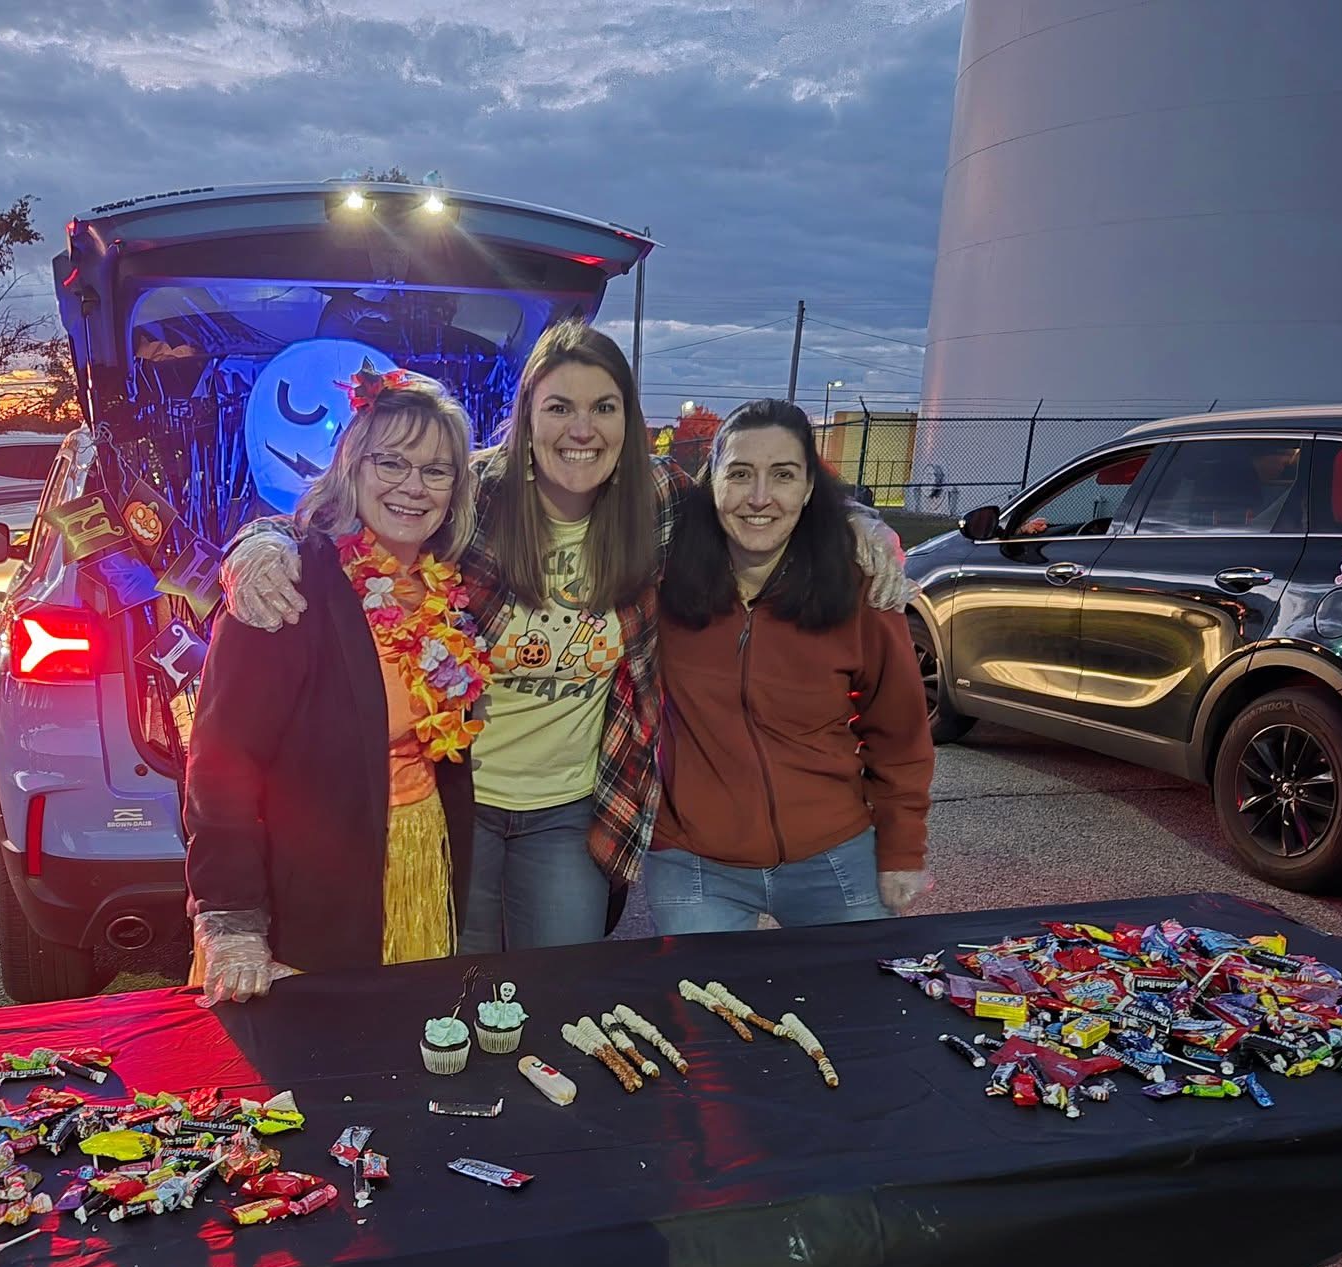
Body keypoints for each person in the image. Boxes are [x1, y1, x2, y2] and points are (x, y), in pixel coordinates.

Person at [224, 322, 912, 954]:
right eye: (559, 407)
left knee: (561, 988)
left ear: (627, 420)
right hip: (460, 798)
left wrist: (859, 523)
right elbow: (347, 518)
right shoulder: (473, 495)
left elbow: (753, 501)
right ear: (527, 418)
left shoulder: (658, 500)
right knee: (455, 988)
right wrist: (262, 541)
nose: (581, 429)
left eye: (603, 407)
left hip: (572, 807)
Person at [186, 368, 489, 1003]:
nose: (414, 486)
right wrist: (234, 921)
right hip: (309, 894)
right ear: (351, 466)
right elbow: (221, 767)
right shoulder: (288, 582)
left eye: (436, 471)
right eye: (392, 462)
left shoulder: (450, 583)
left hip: (422, 862)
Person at [648, 399, 933, 932]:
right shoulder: (663, 582)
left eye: (783, 475)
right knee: (698, 991)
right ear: (713, 483)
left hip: (833, 852)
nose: (759, 497)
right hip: (694, 859)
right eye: (739, 474)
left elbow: (900, 733)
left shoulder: (859, 590)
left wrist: (902, 847)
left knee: (863, 985)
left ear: (808, 489)